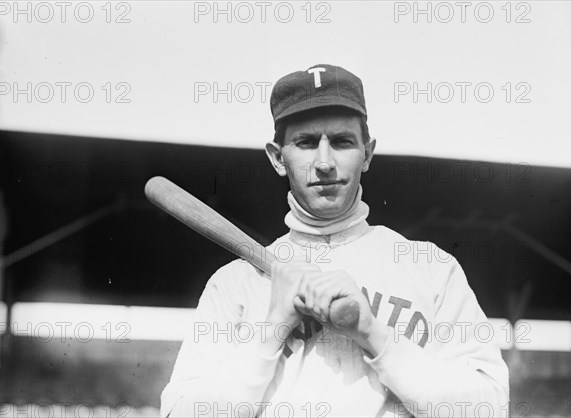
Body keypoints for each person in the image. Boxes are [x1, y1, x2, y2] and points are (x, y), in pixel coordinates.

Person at [161, 64, 509, 417]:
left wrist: (371, 332)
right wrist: (273, 326)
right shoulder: (235, 283)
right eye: (306, 143)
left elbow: (489, 409)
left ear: (368, 153)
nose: (324, 163)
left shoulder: (430, 267)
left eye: (341, 142)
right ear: (278, 157)